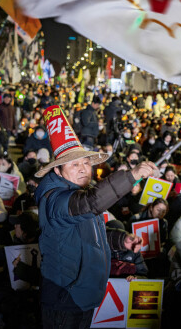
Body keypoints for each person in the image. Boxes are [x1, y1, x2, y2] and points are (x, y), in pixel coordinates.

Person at [34, 105, 154, 328]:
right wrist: (131, 177)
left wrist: (120, 240)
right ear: (58, 171)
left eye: (86, 163)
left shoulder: (79, 194)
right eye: (74, 164)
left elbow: (88, 236)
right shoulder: (55, 200)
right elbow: (89, 204)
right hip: (64, 299)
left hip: (85, 296)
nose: (83, 169)